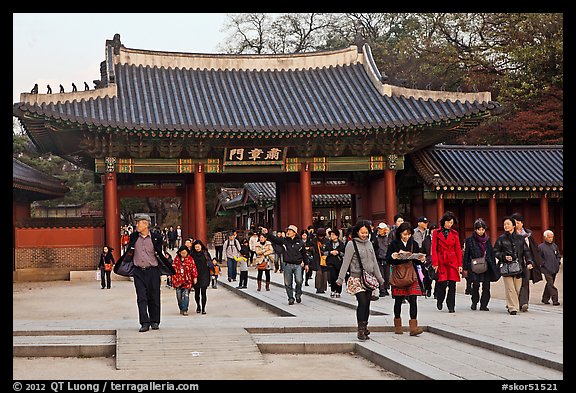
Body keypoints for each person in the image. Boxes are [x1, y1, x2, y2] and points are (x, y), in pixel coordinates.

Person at [115, 213, 175, 332]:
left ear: (146, 224)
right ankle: (144, 322)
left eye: (139, 222)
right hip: (138, 271)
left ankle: (155, 321)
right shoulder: (133, 237)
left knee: (154, 296)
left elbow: (160, 252)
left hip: (153, 270)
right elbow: (128, 252)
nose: (137, 225)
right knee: (141, 297)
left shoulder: (156, 237)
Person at [336, 220, 384, 341]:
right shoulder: (351, 245)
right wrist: (340, 279)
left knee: (367, 303)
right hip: (356, 278)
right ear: (357, 232)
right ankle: (360, 329)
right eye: (362, 232)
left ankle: (365, 325)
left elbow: (374, 262)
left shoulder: (369, 244)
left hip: (368, 278)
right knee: (362, 302)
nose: (364, 235)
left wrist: (380, 278)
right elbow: (345, 262)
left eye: (366, 232)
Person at [386, 222, 426, 336]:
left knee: (413, 299)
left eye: (408, 234)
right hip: (399, 274)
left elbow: (417, 259)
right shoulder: (394, 243)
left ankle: (413, 327)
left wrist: (421, 258)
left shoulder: (413, 243)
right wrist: (394, 256)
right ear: (399, 233)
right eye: (404, 234)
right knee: (398, 300)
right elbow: (388, 259)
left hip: (411, 274)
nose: (406, 236)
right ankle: (398, 325)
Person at [493, 216, 534, 315]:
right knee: (510, 288)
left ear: (513, 226)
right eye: (504, 224)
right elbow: (495, 251)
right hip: (506, 267)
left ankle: (510, 304)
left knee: (517, 288)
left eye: (508, 224)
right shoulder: (501, 239)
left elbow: (526, 251)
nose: (506, 226)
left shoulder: (520, 238)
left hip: (518, 266)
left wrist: (529, 262)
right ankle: (513, 308)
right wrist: (503, 256)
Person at [261, 225, 309, 305]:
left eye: (290, 231)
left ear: (294, 233)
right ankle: (290, 298)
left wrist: (306, 264)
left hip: (298, 264)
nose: (288, 232)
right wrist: (267, 233)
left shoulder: (300, 242)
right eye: (288, 230)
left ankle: (298, 294)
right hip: (287, 264)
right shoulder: (284, 241)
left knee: (299, 281)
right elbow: (275, 239)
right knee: (287, 283)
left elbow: (304, 254)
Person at [462, 218, 499, 311]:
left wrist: (493, 266)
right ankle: (474, 302)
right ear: (475, 229)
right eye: (479, 229)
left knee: (486, 286)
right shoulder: (470, 240)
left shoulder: (487, 240)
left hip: (486, 264)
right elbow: (467, 254)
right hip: (474, 265)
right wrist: (465, 267)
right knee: (475, 285)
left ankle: (484, 304)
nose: (481, 231)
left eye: (482, 229)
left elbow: (491, 253)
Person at [510, 213, 543, 312]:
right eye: (515, 223)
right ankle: (513, 303)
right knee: (514, 284)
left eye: (518, 222)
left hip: (527, 263)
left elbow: (533, 248)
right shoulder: (511, 235)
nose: (517, 225)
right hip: (515, 263)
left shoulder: (528, 235)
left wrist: (533, 261)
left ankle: (524, 303)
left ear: (522, 223)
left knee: (525, 282)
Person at [431, 211, 463, 313]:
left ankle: (451, 305)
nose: (450, 224)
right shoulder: (436, 233)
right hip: (441, 260)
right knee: (442, 283)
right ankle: (440, 299)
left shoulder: (455, 234)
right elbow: (434, 249)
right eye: (448, 222)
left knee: (452, 284)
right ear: (444, 222)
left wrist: (460, 264)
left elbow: (458, 249)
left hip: (452, 260)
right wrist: (435, 263)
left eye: (452, 223)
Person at [171, 245, 198, 316]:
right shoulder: (176, 260)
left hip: (187, 280)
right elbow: (173, 269)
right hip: (178, 280)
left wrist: (195, 277)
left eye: (185, 253)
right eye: (182, 253)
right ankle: (181, 308)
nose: (183, 254)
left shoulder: (190, 259)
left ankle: (185, 309)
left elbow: (193, 268)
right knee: (179, 296)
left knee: (186, 295)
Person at [190, 239, 214, 314]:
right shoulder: (192, 254)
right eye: (196, 247)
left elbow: (210, 262)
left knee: (204, 292)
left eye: (198, 247)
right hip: (196, 275)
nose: (197, 248)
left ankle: (203, 308)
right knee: (197, 293)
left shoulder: (205, 253)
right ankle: (198, 305)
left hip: (204, 274)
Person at [539, 230, 561, 306]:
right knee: (551, 284)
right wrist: (543, 264)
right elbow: (539, 258)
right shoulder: (541, 247)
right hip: (546, 269)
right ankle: (555, 300)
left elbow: (558, 255)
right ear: (545, 237)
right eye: (549, 237)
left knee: (549, 284)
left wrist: (558, 262)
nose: (551, 239)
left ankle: (545, 298)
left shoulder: (555, 246)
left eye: (552, 237)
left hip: (554, 268)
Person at [324, 228, 345, 298]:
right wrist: (330, 252)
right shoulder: (328, 244)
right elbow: (324, 252)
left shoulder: (342, 244)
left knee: (339, 277)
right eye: (331, 235)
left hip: (339, 263)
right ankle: (333, 290)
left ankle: (338, 291)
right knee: (332, 277)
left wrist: (338, 252)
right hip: (331, 262)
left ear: (337, 236)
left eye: (333, 235)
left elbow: (344, 253)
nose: (331, 236)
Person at [373, 222, 392, 297]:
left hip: (387, 258)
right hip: (379, 258)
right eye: (380, 229)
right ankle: (382, 290)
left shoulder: (388, 238)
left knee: (387, 275)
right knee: (380, 275)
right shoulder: (375, 238)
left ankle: (386, 288)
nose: (381, 231)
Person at [311, 228, 329, 294]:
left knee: (324, 273)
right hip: (317, 258)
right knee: (319, 272)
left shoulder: (327, 241)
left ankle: (323, 288)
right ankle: (318, 288)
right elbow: (310, 247)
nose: (320, 237)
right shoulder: (314, 240)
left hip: (324, 258)